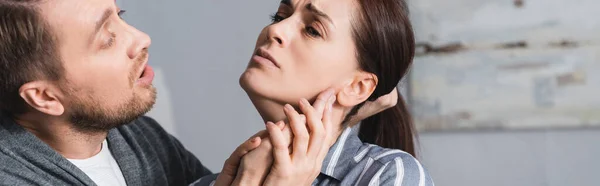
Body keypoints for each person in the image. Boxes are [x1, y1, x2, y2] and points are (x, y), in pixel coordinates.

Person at [0, 0, 393, 185]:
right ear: (45, 98)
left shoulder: (139, 139)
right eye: (106, 39)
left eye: (122, 18)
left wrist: (347, 110)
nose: (142, 39)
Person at [195, 0, 435, 185]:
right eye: (279, 16)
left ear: (357, 87)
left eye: (312, 30)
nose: (275, 30)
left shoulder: (390, 175)